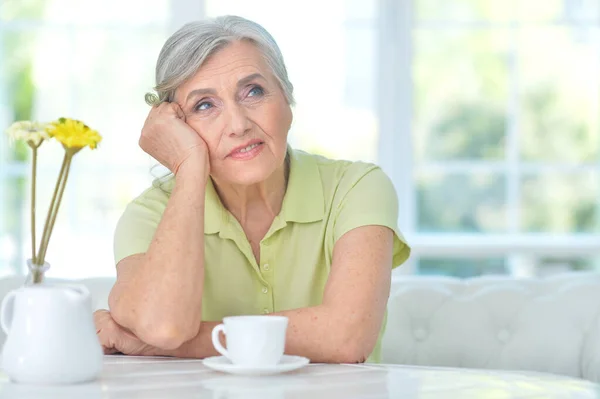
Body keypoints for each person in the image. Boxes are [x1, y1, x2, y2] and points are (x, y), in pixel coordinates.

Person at [94, 15, 410, 364]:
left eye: (254, 91)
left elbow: (347, 337)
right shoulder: (149, 213)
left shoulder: (358, 188)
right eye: (204, 106)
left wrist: (171, 345)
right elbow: (165, 326)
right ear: (176, 127)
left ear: (287, 99)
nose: (238, 125)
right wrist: (188, 167)